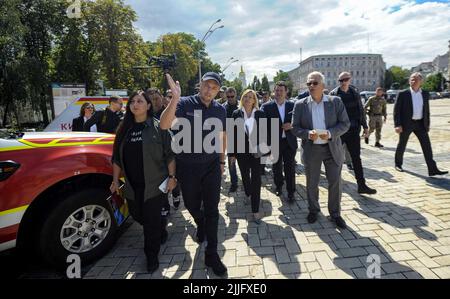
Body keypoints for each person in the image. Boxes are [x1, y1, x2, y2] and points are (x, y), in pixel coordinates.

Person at [160, 72, 228, 277]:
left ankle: (212, 253)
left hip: (211, 166)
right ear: (200, 85)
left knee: (212, 208)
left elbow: (222, 136)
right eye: (207, 86)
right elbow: (164, 125)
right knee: (190, 204)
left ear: (218, 91)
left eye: (214, 88)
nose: (209, 90)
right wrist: (174, 98)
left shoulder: (220, 109)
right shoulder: (185, 103)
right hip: (187, 166)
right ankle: (200, 223)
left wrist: (222, 161)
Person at [110, 91, 176, 273]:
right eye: (132, 101)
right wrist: (115, 180)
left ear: (148, 106)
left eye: (140, 101)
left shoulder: (158, 127)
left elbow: (170, 155)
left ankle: (151, 256)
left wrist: (172, 178)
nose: (135, 104)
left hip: (154, 186)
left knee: (150, 223)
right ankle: (160, 227)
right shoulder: (124, 129)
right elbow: (116, 158)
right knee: (138, 216)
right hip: (132, 186)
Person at [292, 72, 350, 229]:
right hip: (312, 149)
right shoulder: (300, 104)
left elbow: (345, 124)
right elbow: (295, 128)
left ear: (323, 86)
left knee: (335, 182)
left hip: (332, 147)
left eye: (315, 83)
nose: (311, 86)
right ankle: (313, 210)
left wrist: (330, 133)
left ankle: (335, 214)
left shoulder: (335, 102)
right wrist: (306, 134)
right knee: (312, 183)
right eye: (309, 83)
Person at [330, 72, 377, 195]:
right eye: (341, 80)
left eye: (345, 79)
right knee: (336, 159)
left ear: (350, 80)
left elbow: (360, 111)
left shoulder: (354, 92)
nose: (343, 82)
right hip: (339, 132)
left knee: (356, 158)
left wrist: (365, 126)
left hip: (354, 130)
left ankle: (361, 185)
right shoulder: (334, 94)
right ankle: (336, 185)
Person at [394, 72, 448, 176]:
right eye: (411, 79)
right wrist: (397, 124)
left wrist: (427, 124)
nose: (413, 81)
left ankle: (432, 169)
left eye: (416, 79)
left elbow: (426, 110)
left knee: (427, 146)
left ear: (421, 81)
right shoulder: (403, 93)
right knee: (402, 144)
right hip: (407, 123)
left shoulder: (425, 94)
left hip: (420, 124)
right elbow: (397, 111)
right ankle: (398, 164)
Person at [228, 89, 266, 224]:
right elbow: (232, 134)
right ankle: (248, 193)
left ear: (254, 100)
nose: (248, 99)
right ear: (242, 99)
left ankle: (255, 210)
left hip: (256, 152)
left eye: (251, 97)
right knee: (245, 176)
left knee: (256, 180)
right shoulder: (236, 114)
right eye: (245, 97)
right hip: (241, 152)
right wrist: (231, 154)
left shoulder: (260, 114)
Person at [261, 81, 297, 203]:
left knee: (290, 167)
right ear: (273, 92)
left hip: (289, 141)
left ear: (286, 92)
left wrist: (291, 125)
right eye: (277, 90)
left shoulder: (293, 105)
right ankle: (279, 186)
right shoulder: (266, 107)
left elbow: (300, 121)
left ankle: (291, 192)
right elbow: (262, 126)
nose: (279, 93)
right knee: (276, 167)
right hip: (274, 142)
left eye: (281, 90)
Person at [223, 87, 239, 193]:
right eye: (228, 96)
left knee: (244, 162)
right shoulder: (223, 107)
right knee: (231, 162)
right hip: (230, 138)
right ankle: (234, 182)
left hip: (242, 137)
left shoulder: (241, 105)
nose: (230, 98)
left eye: (232, 96)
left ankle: (247, 178)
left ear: (235, 95)